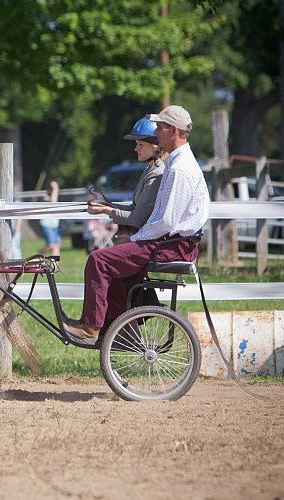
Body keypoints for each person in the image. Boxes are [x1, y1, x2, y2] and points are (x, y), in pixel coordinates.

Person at [62, 105, 210, 344]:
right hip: (170, 240)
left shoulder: (181, 168)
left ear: (172, 130)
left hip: (173, 244)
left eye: (159, 128)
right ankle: (122, 330)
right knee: (112, 260)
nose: (156, 133)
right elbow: (160, 217)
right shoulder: (175, 163)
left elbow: (166, 220)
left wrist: (134, 239)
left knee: (98, 260)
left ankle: (91, 327)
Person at [87, 117, 167, 245]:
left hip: (147, 242)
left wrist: (106, 210)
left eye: (140, 145)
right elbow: (134, 208)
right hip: (142, 237)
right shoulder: (150, 169)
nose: (136, 149)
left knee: (98, 258)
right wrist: (106, 205)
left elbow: (138, 219)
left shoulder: (157, 173)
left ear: (155, 147)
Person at [39, 180, 61, 255]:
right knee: (51, 245)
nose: (54, 189)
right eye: (52, 187)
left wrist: (55, 188)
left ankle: (55, 265)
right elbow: (52, 200)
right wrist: (55, 188)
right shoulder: (46, 197)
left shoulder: (54, 196)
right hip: (46, 224)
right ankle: (39, 254)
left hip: (55, 224)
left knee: (56, 246)